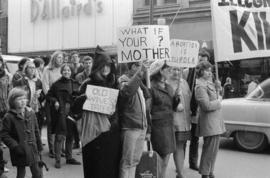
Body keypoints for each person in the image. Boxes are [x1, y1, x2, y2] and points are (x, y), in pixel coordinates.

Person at [73, 46, 121, 178]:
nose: (106, 69)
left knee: (111, 167)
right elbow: (75, 108)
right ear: (97, 67)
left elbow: (121, 105)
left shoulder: (115, 82)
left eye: (108, 66)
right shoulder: (87, 83)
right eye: (103, 66)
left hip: (112, 132)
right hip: (94, 134)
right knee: (96, 168)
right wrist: (84, 98)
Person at [1, 87, 43, 178]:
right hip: (20, 149)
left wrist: (39, 146)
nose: (23, 101)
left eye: (24, 98)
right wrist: (15, 146)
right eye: (19, 99)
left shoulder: (31, 113)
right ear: (12, 101)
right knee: (21, 173)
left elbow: (36, 130)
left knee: (37, 172)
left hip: (33, 149)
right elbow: (4, 134)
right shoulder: (8, 117)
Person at [118, 61, 150, 178]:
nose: (141, 68)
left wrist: (148, 127)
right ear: (132, 67)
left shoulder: (139, 82)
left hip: (141, 126)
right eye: (138, 65)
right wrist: (140, 73)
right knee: (127, 162)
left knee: (135, 161)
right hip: (130, 126)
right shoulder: (123, 80)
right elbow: (127, 92)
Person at [46, 63, 81, 168]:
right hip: (60, 113)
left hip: (72, 113)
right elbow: (48, 96)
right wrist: (55, 101)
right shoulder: (56, 84)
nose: (67, 72)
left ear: (71, 72)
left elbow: (80, 97)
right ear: (61, 72)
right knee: (60, 136)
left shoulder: (75, 83)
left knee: (70, 136)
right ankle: (57, 160)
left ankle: (69, 158)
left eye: (69, 70)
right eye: (65, 70)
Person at [195, 61, 226, 178]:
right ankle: (205, 173)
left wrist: (219, 88)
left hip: (215, 122)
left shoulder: (209, 83)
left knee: (214, 151)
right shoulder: (200, 86)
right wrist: (219, 102)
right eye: (207, 70)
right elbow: (206, 106)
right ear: (201, 71)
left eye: (210, 70)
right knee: (209, 150)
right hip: (209, 122)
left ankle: (210, 171)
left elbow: (217, 96)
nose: (210, 73)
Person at [149, 60, 177, 178]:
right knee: (161, 157)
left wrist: (177, 97)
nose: (171, 71)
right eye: (168, 69)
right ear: (160, 71)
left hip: (169, 125)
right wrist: (148, 130)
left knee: (166, 157)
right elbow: (148, 111)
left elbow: (174, 106)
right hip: (158, 127)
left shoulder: (168, 86)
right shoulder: (151, 87)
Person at [186, 49, 211, 171]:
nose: (202, 64)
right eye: (200, 60)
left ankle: (202, 165)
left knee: (201, 139)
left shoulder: (209, 76)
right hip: (191, 110)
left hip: (204, 111)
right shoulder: (189, 71)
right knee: (190, 138)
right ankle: (190, 162)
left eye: (204, 62)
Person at [167, 67, 191, 178]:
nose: (176, 72)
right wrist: (175, 104)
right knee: (170, 149)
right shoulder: (166, 83)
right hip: (172, 122)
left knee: (180, 146)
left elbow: (189, 98)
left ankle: (180, 172)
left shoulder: (184, 82)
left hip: (184, 121)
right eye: (174, 69)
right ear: (169, 70)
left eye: (178, 69)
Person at [42, 51, 63, 158]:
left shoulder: (63, 69)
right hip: (51, 101)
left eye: (62, 58)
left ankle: (60, 148)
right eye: (59, 57)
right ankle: (52, 150)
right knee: (51, 124)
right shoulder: (47, 69)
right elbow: (45, 86)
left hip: (62, 101)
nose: (61, 59)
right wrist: (52, 99)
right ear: (54, 58)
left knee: (61, 123)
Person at [0, 56, 11, 178]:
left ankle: (2, 165)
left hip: (4, 108)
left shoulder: (6, 76)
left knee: (3, 134)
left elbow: (9, 91)